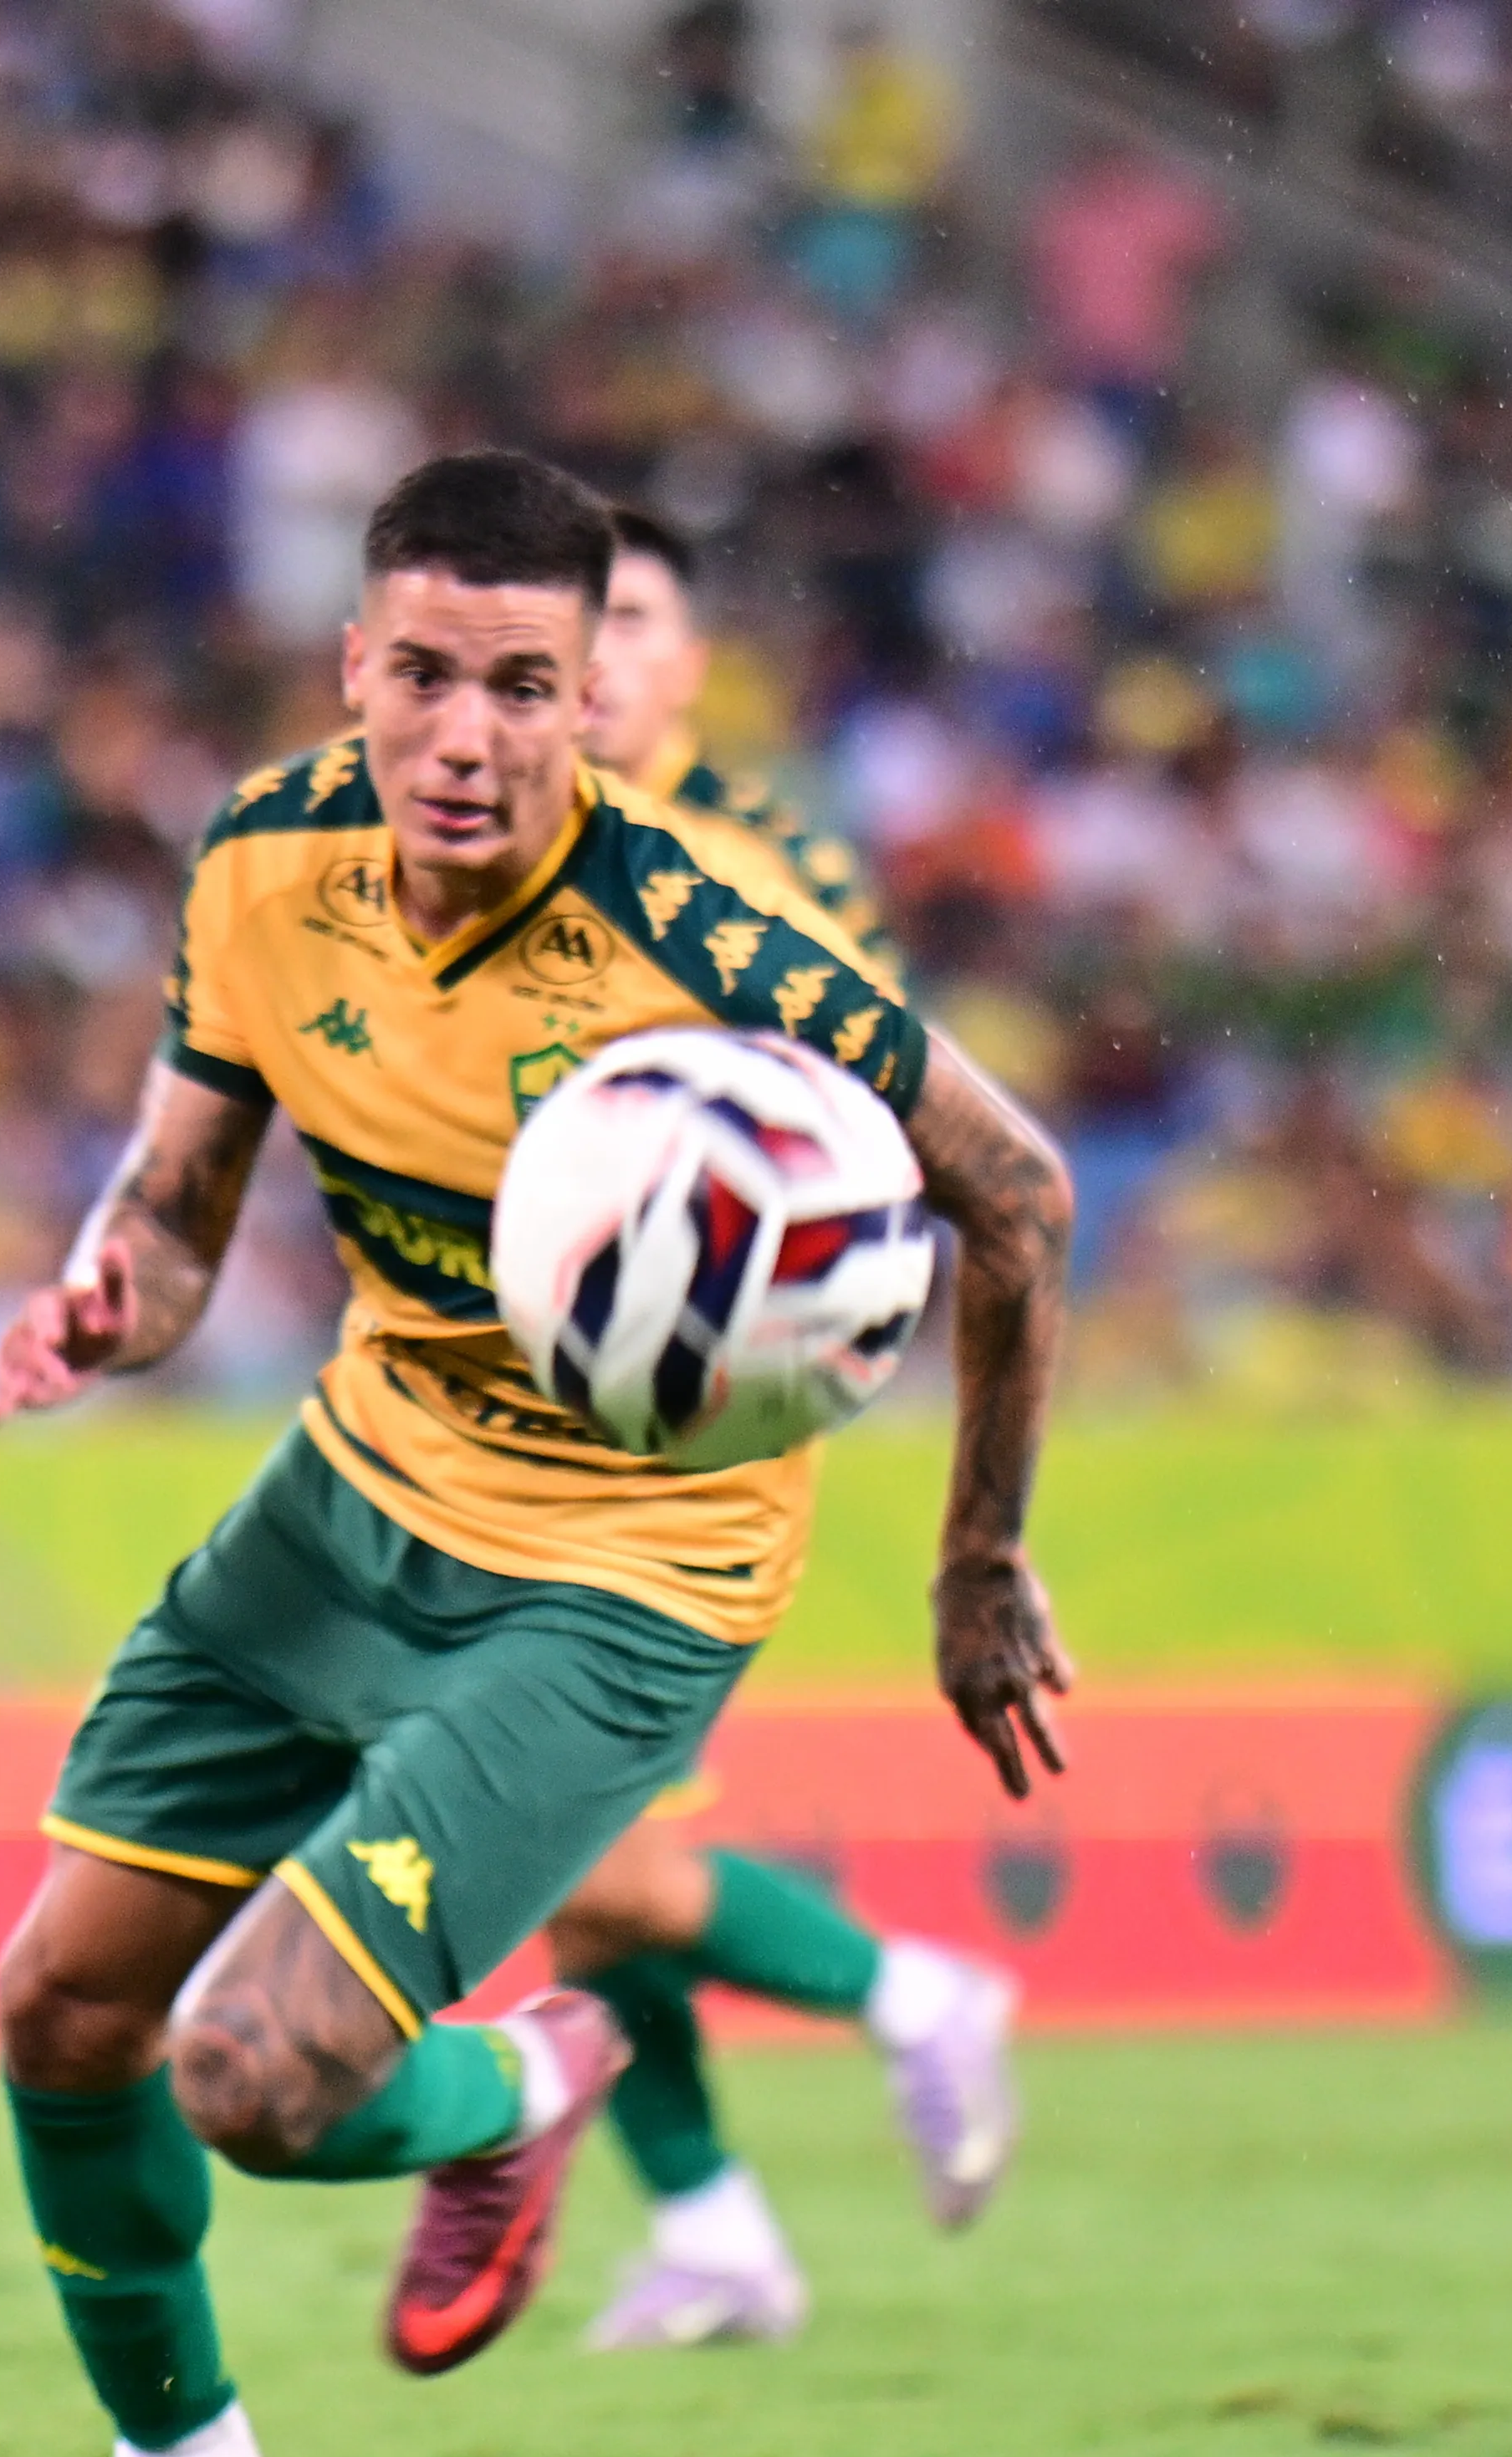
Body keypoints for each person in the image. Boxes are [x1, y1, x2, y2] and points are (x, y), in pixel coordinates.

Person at [0, 452, 1073, 2457]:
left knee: (253, 2081)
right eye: (427, 678)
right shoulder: (258, 861)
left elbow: (1012, 1193)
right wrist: (106, 1298)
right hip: (355, 1493)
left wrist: (978, 1559)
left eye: (525, 687)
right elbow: (174, 1216)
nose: (469, 737)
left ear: (583, 699)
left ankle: (530, 2085)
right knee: (61, 2005)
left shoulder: (704, 937)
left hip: (626, 1575)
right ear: (352, 667)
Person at [537, 501, 1022, 2352]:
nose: (591, 657)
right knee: (566, 1868)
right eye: (568, 622)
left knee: (579, 1855)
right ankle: (717, 2230)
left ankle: (908, 1997)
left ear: (690, 663)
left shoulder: (757, 867)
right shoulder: (484, 846)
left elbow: (881, 1130)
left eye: (630, 620)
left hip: (687, 1419)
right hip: (529, 1402)